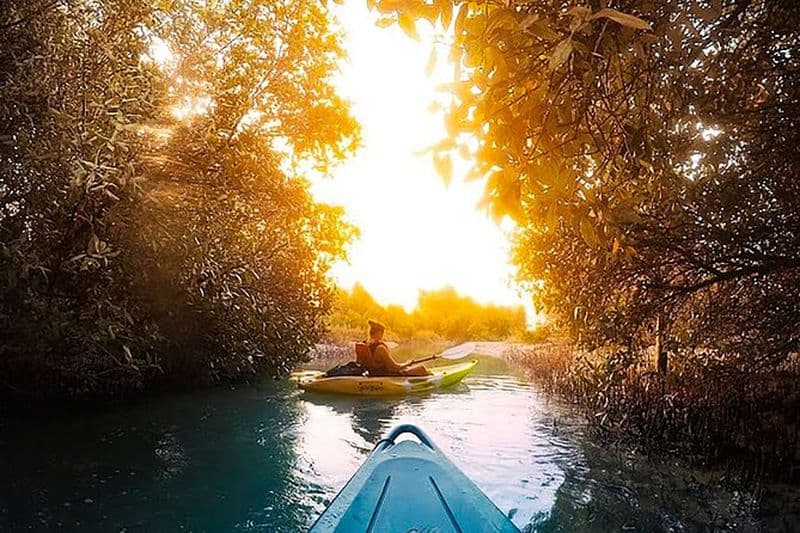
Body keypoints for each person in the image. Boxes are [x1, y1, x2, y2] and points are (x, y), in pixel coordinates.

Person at [356, 320, 430, 377]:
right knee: (421, 368)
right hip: (387, 375)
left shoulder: (364, 345)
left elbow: (359, 363)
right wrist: (408, 363)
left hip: (372, 373)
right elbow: (394, 368)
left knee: (411, 366)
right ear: (380, 333)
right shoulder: (380, 348)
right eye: (382, 333)